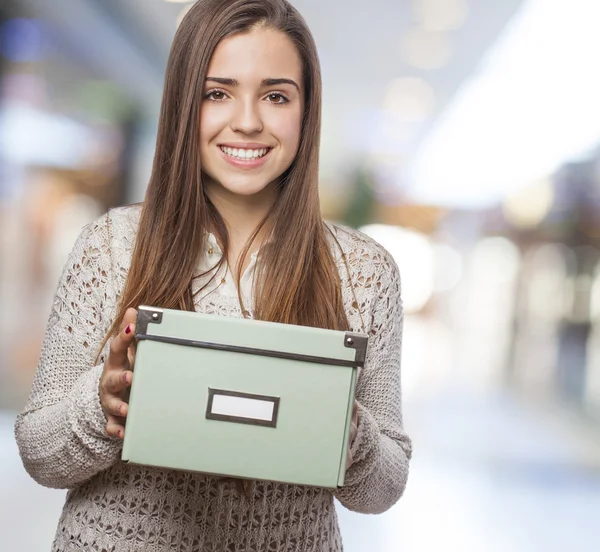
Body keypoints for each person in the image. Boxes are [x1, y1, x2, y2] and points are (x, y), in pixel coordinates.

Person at [14, 0, 412, 550]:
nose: (247, 121)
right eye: (217, 93)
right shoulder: (110, 246)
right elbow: (38, 452)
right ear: (183, 105)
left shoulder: (364, 272)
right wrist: (100, 406)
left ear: (306, 110)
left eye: (275, 96)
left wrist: (353, 435)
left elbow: (384, 486)